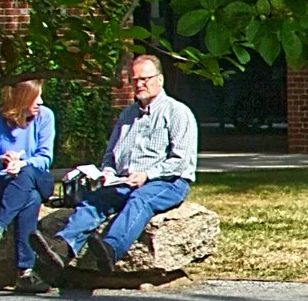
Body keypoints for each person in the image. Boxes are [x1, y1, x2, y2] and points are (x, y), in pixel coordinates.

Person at [35, 54, 198, 277]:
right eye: (135, 80)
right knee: (95, 201)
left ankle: (110, 250)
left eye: (145, 79)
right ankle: (62, 248)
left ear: (160, 79)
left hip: (167, 181)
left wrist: (147, 175)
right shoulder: (128, 114)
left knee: (140, 200)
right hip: (125, 180)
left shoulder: (177, 112)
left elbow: (181, 161)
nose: (139, 84)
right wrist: (107, 172)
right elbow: (111, 154)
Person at [0, 78, 57, 294]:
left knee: (27, 176)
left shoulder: (45, 116)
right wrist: (1, 160)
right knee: (30, 199)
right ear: (21, 98)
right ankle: (25, 273)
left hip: (36, 177)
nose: (41, 101)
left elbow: (45, 158)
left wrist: (22, 164)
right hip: (0, 181)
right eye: (35, 97)